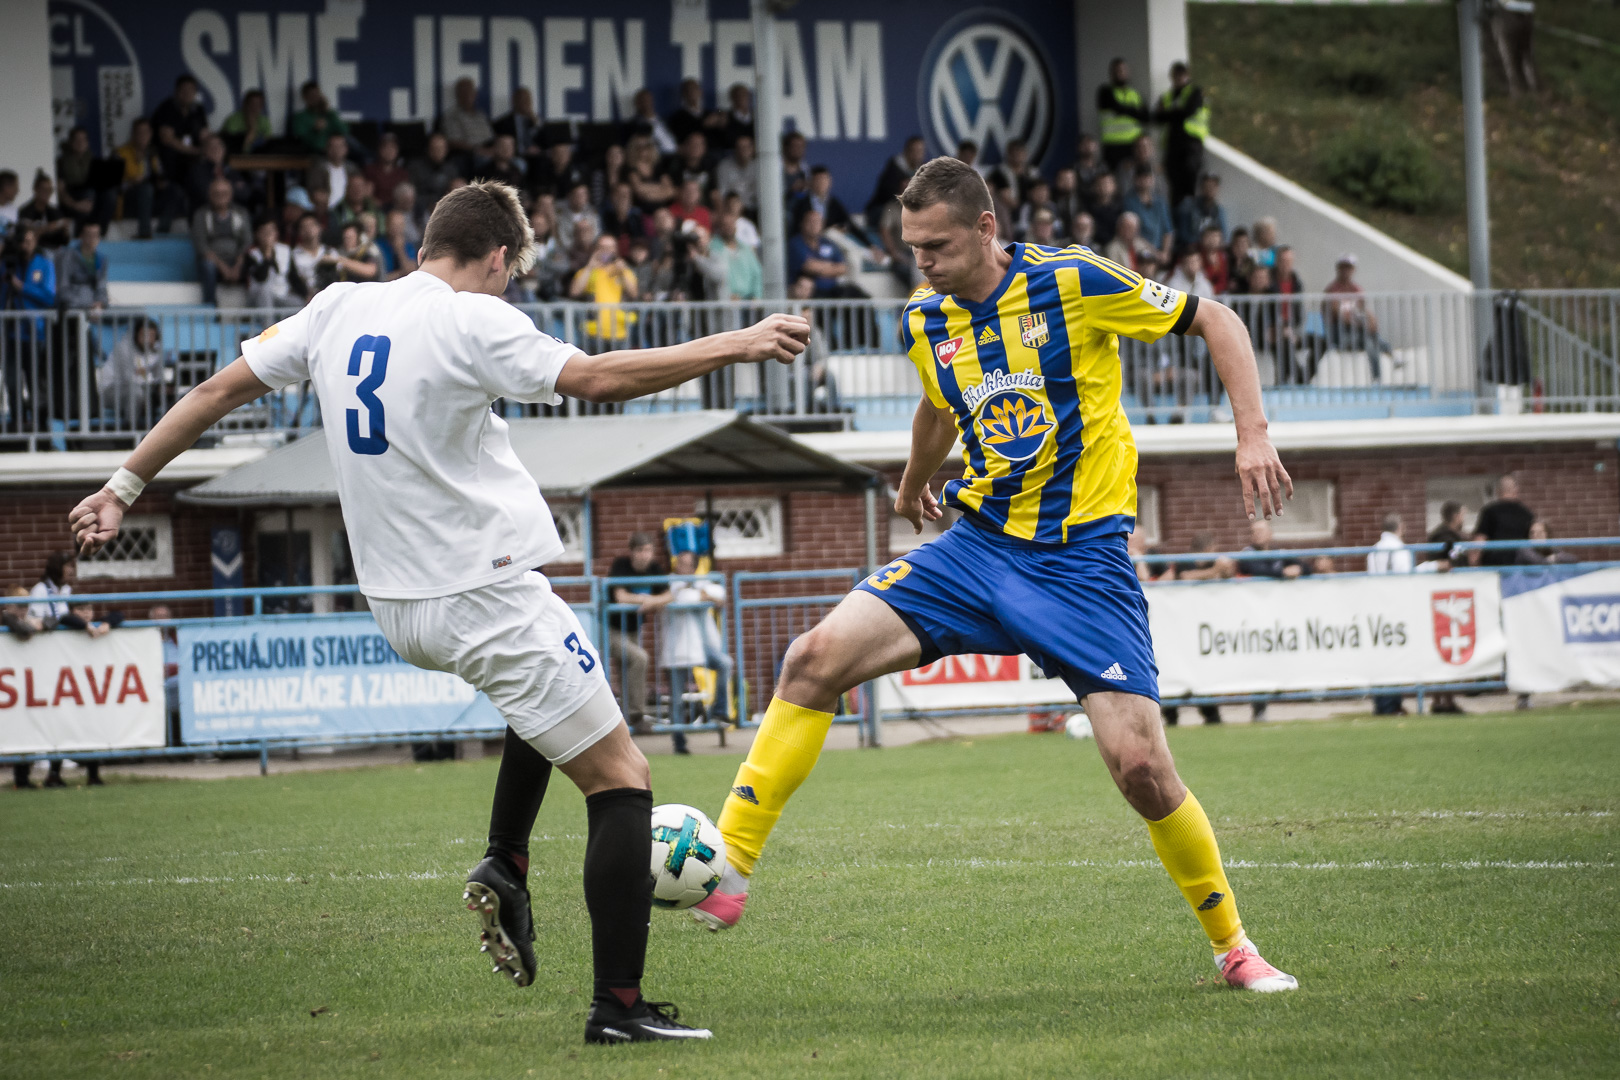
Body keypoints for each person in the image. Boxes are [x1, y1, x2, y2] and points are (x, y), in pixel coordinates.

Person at [69, 179, 811, 1042]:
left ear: (425, 246)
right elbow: (598, 377)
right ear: (498, 258)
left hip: (397, 603)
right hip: (481, 594)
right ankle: (618, 1008)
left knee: (553, 696)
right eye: (510, 273)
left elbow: (211, 393)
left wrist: (121, 488)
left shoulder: (337, 306)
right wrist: (738, 342)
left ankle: (508, 858)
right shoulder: (472, 318)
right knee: (622, 780)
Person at [693, 156, 1298, 995]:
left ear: (985, 229)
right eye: (912, 248)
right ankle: (729, 866)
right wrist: (912, 482)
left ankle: (1233, 946)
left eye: (937, 247)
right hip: (977, 548)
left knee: (1141, 769)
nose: (923, 264)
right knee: (812, 659)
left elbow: (1218, 320)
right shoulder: (924, 318)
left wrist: (1252, 433)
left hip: (1083, 563)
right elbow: (940, 404)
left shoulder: (1073, 280)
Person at [659, 550, 734, 755]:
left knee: (725, 663)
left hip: (702, 646)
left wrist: (704, 595)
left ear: (693, 568)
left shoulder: (700, 582)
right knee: (676, 698)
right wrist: (704, 597)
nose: (679, 566)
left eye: (684, 564)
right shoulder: (670, 582)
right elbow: (683, 598)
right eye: (678, 562)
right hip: (678, 649)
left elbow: (719, 592)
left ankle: (719, 711)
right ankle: (679, 741)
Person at [607, 533, 674, 736]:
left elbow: (669, 595)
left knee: (628, 670)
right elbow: (620, 597)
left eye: (648, 551)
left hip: (633, 629)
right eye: (641, 551)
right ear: (632, 552)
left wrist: (651, 602)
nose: (645, 555)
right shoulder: (621, 565)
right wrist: (644, 599)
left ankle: (624, 718)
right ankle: (637, 715)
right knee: (639, 659)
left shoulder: (654, 568)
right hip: (611, 629)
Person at [1367, 513, 1413, 716]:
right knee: (1395, 654)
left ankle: (1382, 703)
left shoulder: (1374, 550)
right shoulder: (1400, 549)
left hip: (1377, 605)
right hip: (1395, 605)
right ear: (1400, 527)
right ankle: (1391, 705)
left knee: (1380, 655)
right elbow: (1405, 577)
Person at [1322, 253, 1389, 382]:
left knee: (1370, 343)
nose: (1346, 271)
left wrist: (1371, 322)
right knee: (1368, 337)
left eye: (1349, 267)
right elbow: (1339, 315)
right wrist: (1362, 324)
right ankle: (1388, 350)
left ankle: (1377, 379)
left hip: (1357, 332)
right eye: (1343, 267)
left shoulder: (1356, 289)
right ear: (1338, 269)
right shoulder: (1332, 290)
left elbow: (1365, 311)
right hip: (1339, 334)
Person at [1154, 62, 1210, 208]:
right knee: (1174, 185)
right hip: (1172, 146)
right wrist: (1177, 114)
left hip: (1191, 144)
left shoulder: (1195, 92)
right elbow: (1157, 117)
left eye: (1182, 75)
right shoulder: (1167, 96)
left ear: (1187, 75)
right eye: (1176, 75)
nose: (1179, 78)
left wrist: (1169, 114)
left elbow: (1188, 111)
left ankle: (1189, 210)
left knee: (1189, 180)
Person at [114, 118, 179, 238]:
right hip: (129, 200)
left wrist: (161, 182)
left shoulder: (152, 152)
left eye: (146, 132)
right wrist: (131, 182)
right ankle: (144, 232)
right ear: (133, 134)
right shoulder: (120, 153)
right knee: (146, 188)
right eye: (140, 132)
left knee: (174, 190)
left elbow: (159, 174)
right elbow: (114, 186)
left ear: (151, 134)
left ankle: (162, 230)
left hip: (149, 199)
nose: (143, 136)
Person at [191, 177, 252, 306]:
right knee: (207, 266)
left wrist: (237, 265)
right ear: (210, 195)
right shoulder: (201, 214)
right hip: (213, 262)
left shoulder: (241, 212)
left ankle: (252, 306)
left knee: (255, 262)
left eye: (224, 193)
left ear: (231, 195)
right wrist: (223, 267)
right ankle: (211, 306)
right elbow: (201, 245)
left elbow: (247, 241)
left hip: (237, 260)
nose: (220, 197)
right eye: (216, 193)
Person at [99, 316, 168, 429]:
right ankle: (131, 429)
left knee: (160, 393)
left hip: (143, 389)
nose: (147, 340)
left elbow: (158, 377)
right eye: (143, 335)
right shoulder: (123, 349)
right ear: (136, 335)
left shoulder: (157, 351)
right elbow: (128, 378)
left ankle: (160, 431)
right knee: (136, 392)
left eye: (151, 336)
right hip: (112, 390)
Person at [151, 74, 209, 193]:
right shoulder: (167, 107)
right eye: (183, 90)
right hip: (171, 155)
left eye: (191, 90)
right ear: (176, 91)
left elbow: (204, 134)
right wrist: (195, 151)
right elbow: (167, 139)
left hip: (192, 154)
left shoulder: (198, 109)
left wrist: (207, 148)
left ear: (195, 93)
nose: (187, 94)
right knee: (169, 154)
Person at [787, 209, 859, 298]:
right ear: (802, 223)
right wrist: (831, 266)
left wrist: (821, 268)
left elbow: (842, 268)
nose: (814, 225)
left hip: (832, 290)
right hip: (810, 292)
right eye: (810, 222)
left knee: (855, 293)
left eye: (817, 222)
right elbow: (810, 267)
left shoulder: (827, 242)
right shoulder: (796, 243)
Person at [1472, 474, 1534, 567]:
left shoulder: (1489, 511)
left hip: (1494, 562)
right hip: (1520, 563)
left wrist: (1473, 562)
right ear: (1516, 490)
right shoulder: (1527, 513)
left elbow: (1480, 539)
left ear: (1498, 491)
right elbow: (1534, 538)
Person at [1098, 59, 1149, 171]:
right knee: (1112, 178)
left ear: (1127, 72)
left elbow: (1146, 117)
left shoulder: (1136, 94)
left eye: (1122, 70)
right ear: (1111, 73)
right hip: (1112, 144)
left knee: (1135, 176)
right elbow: (1117, 108)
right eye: (1117, 70)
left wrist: (1125, 109)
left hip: (1134, 145)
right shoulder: (1105, 91)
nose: (1120, 73)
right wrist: (1134, 110)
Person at [1121, 168, 1174, 267]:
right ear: (1135, 180)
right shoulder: (1129, 201)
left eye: (1147, 177)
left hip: (1160, 252)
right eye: (1141, 178)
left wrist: (1165, 252)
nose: (1144, 181)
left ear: (1152, 179)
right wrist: (1155, 253)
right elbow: (1133, 232)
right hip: (1139, 249)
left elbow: (1168, 231)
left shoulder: (1160, 202)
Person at [245, 217, 302, 308]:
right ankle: (268, 318)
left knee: (298, 302)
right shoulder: (252, 254)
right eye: (264, 232)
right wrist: (267, 255)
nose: (268, 235)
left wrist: (306, 294)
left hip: (282, 295)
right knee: (264, 292)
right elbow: (261, 278)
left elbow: (293, 277)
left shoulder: (285, 250)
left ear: (276, 233)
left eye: (271, 231)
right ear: (257, 234)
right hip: (259, 296)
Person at [56, 222, 109, 312]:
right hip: (72, 309)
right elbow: (63, 287)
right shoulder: (67, 257)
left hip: (93, 309)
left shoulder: (101, 259)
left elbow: (101, 287)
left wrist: (100, 303)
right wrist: (85, 305)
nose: (92, 239)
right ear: (81, 236)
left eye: (95, 235)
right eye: (89, 235)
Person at [709, 212, 763, 300]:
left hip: (748, 301)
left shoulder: (745, 248)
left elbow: (756, 273)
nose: (729, 227)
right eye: (725, 225)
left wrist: (757, 296)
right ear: (720, 227)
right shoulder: (713, 247)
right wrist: (727, 296)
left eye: (731, 224)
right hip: (725, 301)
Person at [440, 77, 495, 163]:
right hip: (469, 155)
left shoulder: (481, 115)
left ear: (475, 94)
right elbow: (454, 142)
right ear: (457, 95)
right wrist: (478, 150)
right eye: (463, 92)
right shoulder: (452, 116)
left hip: (489, 149)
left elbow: (491, 136)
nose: (467, 95)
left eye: (470, 91)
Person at [290, 82, 349, 156]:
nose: (315, 98)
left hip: (337, 151)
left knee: (348, 140)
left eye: (317, 94)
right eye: (311, 95)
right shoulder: (300, 118)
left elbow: (344, 131)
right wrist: (316, 130)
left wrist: (329, 111)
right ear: (305, 97)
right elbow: (303, 141)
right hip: (316, 152)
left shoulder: (329, 114)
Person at [409, 133, 460, 217]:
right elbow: (413, 194)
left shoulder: (451, 169)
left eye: (441, 148)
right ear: (428, 149)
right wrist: (430, 203)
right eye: (435, 148)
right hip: (421, 209)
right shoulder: (416, 168)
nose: (439, 152)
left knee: (459, 185)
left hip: (446, 207)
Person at [1175, 174, 1227, 252]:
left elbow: (1223, 235)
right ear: (1201, 188)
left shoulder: (1219, 210)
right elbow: (1183, 233)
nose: (1209, 190)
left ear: (1217, 189)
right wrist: (1201, 243)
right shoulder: (1188, 205)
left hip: (1210, 250)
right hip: (1191, 249)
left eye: (1213, 187)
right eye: (1207, 186)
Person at [18, 171, 71, 248]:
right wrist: (52, 226)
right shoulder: (25, 211)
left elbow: (64, 239)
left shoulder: (55, 211)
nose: (47, 193)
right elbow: (28, 233)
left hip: (55, 248)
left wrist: (66, 232)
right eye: (43, 190)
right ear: (36, 189)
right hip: (35, 249)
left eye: (49, 190)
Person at [714, 134, 759, 217]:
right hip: (730, 209)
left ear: (753, 148)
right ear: (735, 149)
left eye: (747, 147)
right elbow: (722, 192)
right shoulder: (724, 166)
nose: (744, 150)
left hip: (754, 209)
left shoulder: (759, 167)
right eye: (740, 147)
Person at [220, 88, 273, 154]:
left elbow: (268, 143)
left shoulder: (265, 121)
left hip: (258, 155)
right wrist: (252, 129)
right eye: (252, 103)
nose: (255, 107)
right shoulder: (233, 119)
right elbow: (234, 145)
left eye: (258, 104)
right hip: (234, 154)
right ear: (245, 104)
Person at [29, 552, 76, 626]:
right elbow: (37, 620)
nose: (71, 570)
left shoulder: (67, 589)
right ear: (57, 567)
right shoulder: (40, 589)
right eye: (67, 566)